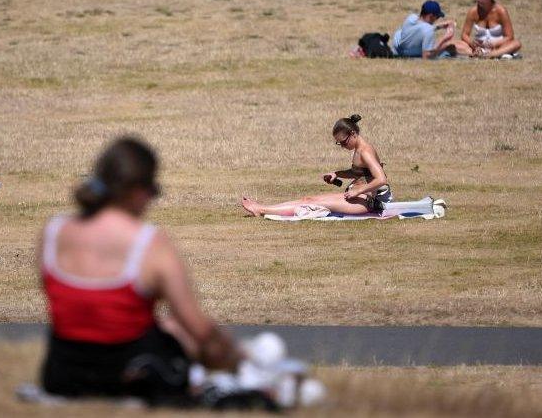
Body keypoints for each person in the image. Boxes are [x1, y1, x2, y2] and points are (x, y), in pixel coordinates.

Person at [39, 137, 242, 404]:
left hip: (62, 374)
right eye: (152, 190)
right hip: (130, 375)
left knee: (169, 326)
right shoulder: (148, 243)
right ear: (137, 189)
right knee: (180, 330)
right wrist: (238, 357)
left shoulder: (54, 233)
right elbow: (199, 328)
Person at [241, 114, 392, 217]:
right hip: (359, 197)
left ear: (353, 133)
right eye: (338, 143)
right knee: (308, 199)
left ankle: (260, 209)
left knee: (309, 203)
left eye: (344, 142)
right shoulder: (359, 150)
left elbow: (381, 179)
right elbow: (359, 173)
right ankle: (262, 208)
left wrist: (358, 190)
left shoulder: (365, 151)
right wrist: (337, 174)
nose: (342, 146)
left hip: (366, 202)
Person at [458, 0, 522, 59]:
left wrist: (493, 44)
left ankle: (490, 55)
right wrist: (472, 43)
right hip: (477, 48)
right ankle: (483, 54)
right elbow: (464, 34)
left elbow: (509, 36)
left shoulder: (501, 11)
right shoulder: (473, 11)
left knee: (516, 43)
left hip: (498, 47)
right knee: (454, 44)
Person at [390, 0, 460, 59]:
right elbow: (426, 57)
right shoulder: (428, 31)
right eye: (437, 17)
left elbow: (419, 29)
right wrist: (444, 39)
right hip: (409, 54)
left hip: (398, 49)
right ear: (431, 16)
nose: (437, 19)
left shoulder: (411, 17)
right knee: (447, 49)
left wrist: (439, 27)